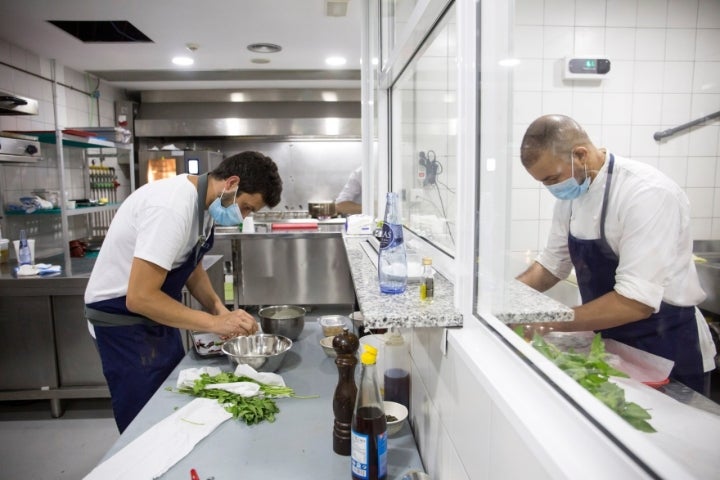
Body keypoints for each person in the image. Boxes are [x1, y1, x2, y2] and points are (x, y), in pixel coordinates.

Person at [515, 114, 716, 395]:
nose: (551, 188)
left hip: (666, 349)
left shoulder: (646, 193)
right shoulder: (573, 196)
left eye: (553, 178)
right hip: (612, 345)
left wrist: (544, 322)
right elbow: (552, 265)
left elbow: (635, 302)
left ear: (580, 154)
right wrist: (503, 300)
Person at [84, 151, 283, 432]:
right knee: (144, 422)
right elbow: (140, 297)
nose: (245, 216)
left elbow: (190, 266)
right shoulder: (172, 207)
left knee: (171, 403)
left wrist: (219, 310)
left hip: (156, 317)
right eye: (247, 207)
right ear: (232, 183)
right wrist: (214, 323)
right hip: (122, 324)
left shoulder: (206, 205)